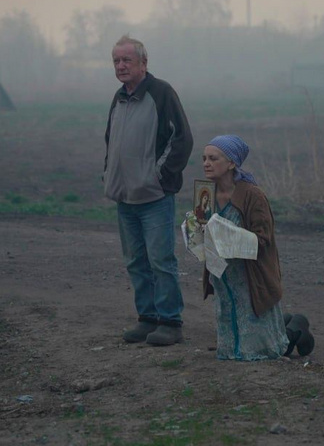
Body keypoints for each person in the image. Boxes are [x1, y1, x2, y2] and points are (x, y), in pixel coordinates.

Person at [104, 35, 194, 346]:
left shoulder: (161, 93)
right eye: (116, 60)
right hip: (124, 197)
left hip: (154, 196)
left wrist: (158, 177)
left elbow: (181, 139)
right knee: (135, 261)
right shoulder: (119, 97)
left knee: (161, 260)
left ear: (144, 63)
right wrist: (110, 175)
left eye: (127, 60)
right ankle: (147, 318)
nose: (121, 65)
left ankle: (170, 322)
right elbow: (111, 142)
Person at [200, 135, 290, 360]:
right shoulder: (205, 192)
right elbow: (201, 229)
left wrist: (229, 237)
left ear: (231, 163)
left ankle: (296, 332)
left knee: (263, 343)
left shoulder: (252, 195)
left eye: (213, 158)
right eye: (204, 158)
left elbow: (263, 239)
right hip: (222, 276)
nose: (206, 163)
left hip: (250, 276)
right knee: (227, 319)